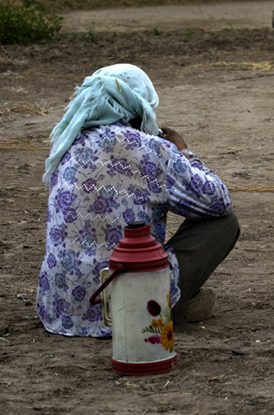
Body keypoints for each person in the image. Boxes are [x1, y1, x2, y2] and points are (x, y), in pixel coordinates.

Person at [36, 63, 240, 338]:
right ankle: (167, 305)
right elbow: (218, 200)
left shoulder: (67, 142)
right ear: (139, 107)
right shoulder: (149, 149)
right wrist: (184, 153)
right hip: (126, 305)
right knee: (224, 223)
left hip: (60, 308)